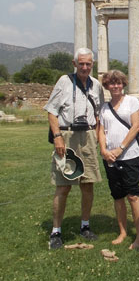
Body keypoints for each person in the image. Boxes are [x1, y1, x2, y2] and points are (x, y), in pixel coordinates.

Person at [45, 47, 104, 250]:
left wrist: (97, 135)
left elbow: (99, 113)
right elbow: (52, 112)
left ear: (92, 65)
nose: (85, 67)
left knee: (88, 184)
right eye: (81, 63)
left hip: (87, 135)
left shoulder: (96, 85)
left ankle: (85, 226)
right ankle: (56, 231)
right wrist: (58, 137)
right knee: (63, 186)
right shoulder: (64, 81)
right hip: (66, 134)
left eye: (88, 64)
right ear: (74, 63)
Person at [98, 70, 139, 249]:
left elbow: (135, 126)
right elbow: (101, 130)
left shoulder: (132, 101)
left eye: (118, 83)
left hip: (129, 155)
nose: (115, 86)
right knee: (117, 196)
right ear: (107, 86)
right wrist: (103, 150)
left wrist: (120, 148)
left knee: (133, 195)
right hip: (109, 157)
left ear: (123, 84)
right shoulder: (104, 107)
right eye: (111, 83)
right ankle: (123, 232)